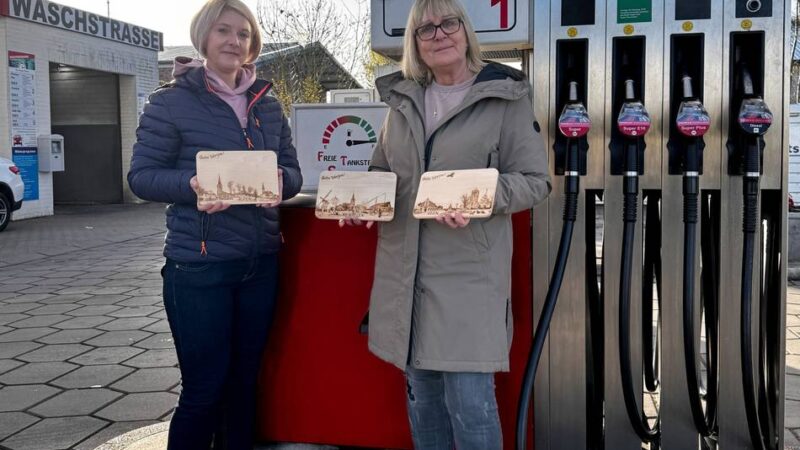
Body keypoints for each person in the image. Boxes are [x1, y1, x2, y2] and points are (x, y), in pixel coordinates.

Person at [344, 0, 550, 448]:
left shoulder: (505, 98)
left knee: (471, 407)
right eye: (425, 29)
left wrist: (478, 199)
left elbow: (536, 182)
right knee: (424, 404)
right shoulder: (401, 102)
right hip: (406, 278)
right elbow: (383, 170)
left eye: (448, 23)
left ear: (466, 32)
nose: (438, 34)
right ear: (414, 43)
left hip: (468, 280)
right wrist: (364, 200)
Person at [127, 0, 302, 448]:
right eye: (224, 31)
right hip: (199, 266)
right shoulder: (170, 103)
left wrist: (281, 180)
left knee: (245, 384)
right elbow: (142, 177)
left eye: (243, 34)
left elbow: (295, 172)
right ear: (204, 36)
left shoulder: (268, 102)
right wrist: (195, 184)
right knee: (205, 389)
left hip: (259, 262)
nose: (234, 41)